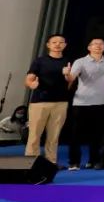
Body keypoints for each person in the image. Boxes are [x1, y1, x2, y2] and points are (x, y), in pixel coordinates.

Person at [23, 34, 70, 165]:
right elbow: (29, 79)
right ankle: (31, 164)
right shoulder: (40, 61)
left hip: (60, 102)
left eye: (61, 42)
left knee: (54, 136)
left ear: (65, 45)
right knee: (34, 135)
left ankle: (51, 163)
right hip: (40, 102)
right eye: (54, 42)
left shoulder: (68, 61)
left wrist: (68, 76)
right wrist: (32, 84)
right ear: (48, 45)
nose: (57, 44)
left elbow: (70, 82)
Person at [66, 37, 104, 170]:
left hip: (101, 102)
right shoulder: (80, 61)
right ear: (89, 47)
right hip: (81, 102)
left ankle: (94, 160)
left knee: (97, 134)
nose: (98, 46)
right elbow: (71, 78)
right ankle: (74, 162)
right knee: (76, 134)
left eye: (101, 44)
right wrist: (67, 75)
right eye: (94, 44)